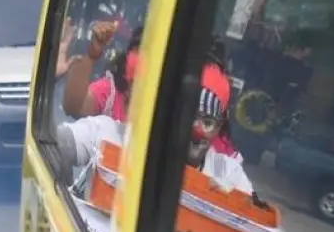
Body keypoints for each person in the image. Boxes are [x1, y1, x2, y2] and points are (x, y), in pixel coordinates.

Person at [55, 54, 252, 194]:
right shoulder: (114, 136)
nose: (197, 130)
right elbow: (54, 144)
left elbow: (257, 226)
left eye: (208, 122)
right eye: (188, 116)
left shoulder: (225, 173)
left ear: (218, 128)